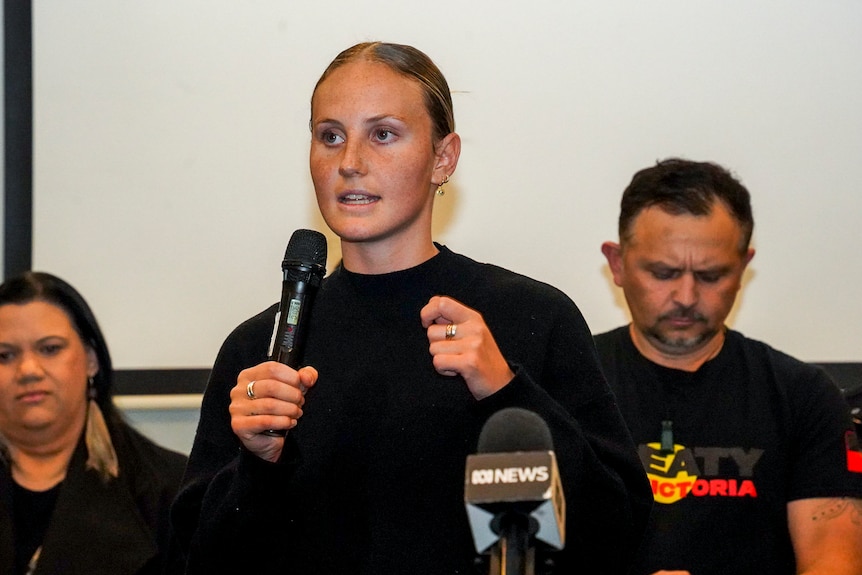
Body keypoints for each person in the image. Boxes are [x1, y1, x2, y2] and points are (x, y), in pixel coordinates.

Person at [170, 41, 651, 574]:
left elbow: (619, 536)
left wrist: (507, 393)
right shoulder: (260, 351)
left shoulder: (532, 319)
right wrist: (256, 466)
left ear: (443, 158)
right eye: (330, 136)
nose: (350, 163)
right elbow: (196, 563)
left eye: (383, 135)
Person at [595, 158, 862, 575]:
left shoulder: (803, 397)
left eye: (711, 275)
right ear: (617, 264)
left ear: (742, 268)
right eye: (663, 273)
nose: (685, 295)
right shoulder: (567, 382)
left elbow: (834, 563)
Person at [0, 271, 188, 575]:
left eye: (50, 349)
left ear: (91, 359)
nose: (28, 370)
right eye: (5, 355)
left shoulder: (169, 489)